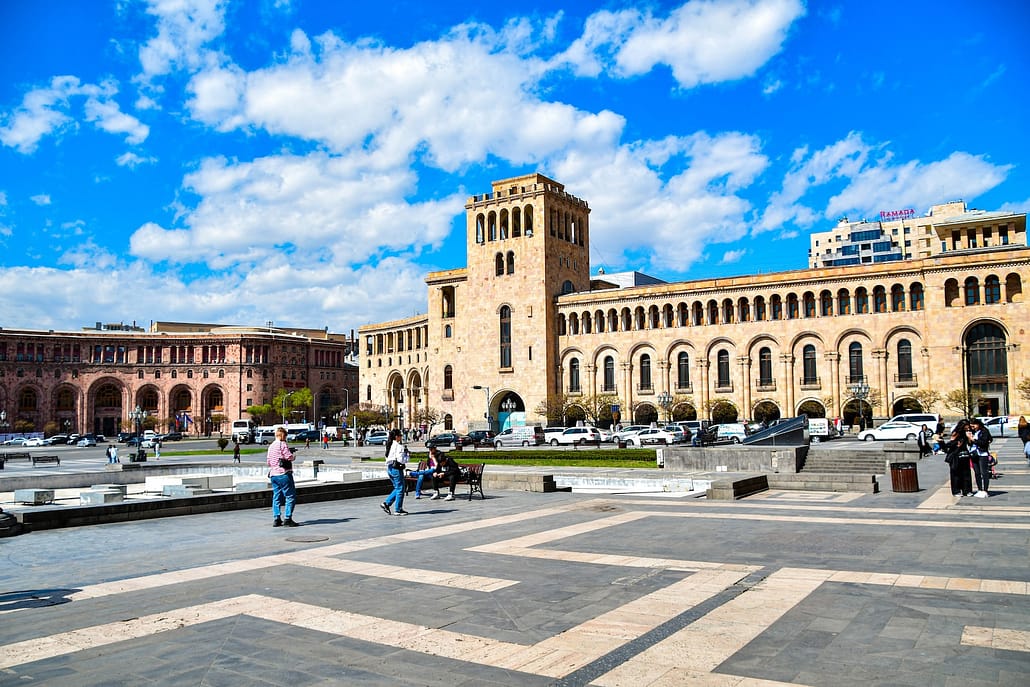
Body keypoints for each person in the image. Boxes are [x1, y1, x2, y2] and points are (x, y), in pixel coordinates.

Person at [266, 426, 298, 526]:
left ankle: (277, 518)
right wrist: (293, 457)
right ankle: (288, 518)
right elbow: (288, 457)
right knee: (290, 496)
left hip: (273, 475)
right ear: (283, 435)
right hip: (284, 474)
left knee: (276, 497)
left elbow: (268, 462)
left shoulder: (271, 446)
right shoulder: (282, 444)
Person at [940, 420, 973, 497]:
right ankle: (956, 490)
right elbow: (949, 444)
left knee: (966, 473)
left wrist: (970, 438)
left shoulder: (967, 433)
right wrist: (956, 444)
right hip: (956, 456)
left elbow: (970, 444)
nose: (968, 428)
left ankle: (967, 490)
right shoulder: (956, 433)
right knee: (956, 474)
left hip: (964, 455)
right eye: (966, 426)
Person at [381, 429, 409, 515]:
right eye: (400, 435)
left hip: (390, 468)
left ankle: (386, 503)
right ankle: (398, 509)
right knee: (401, 488)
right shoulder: (399, 446)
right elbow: (401, 459)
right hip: (397, 468)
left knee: (397, 487)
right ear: (397, 437)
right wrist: (407, 455)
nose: (401, 437)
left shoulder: (389, 445)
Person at [968, 418, 993, 498]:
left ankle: (985, 490)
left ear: (978, 424)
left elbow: (983, 442)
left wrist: (973, 440)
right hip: (974, 454)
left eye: (974, 426)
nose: (973, 428)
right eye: (971, 426)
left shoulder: (984, 431)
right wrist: (970, 440)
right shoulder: (973, 432)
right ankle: (979, 489)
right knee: (977, 472)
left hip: (982, 454)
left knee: (984, 472)